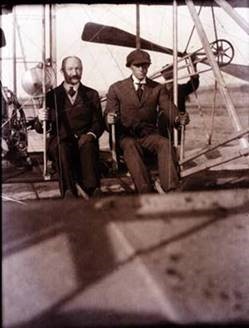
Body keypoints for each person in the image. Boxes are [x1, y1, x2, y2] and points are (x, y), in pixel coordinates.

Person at [104, 49, 189, 194]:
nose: (142, 69)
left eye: (145, 65)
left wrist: (177, 118)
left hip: (149, 136)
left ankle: (172, 189)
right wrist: (109, 119)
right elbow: (108, 115)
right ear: (130, 66)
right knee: (130, 145)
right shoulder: (117, 88)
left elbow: (168, 107)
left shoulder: (157, 88)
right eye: (138, 66)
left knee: (164, 143)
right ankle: (145, 191)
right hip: (126, 137)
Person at [35, 56, 104, 198]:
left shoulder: (91, 94)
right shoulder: (51, 96)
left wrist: (90, 135)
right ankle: (68, 192)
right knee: (62, 148)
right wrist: (40, 120)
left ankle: (94, 189)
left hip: (84, 141)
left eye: (78, 68)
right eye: (70, 69)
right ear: (62, 71)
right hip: (61, 141)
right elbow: (40, 128)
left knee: (89, 145)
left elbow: (98, 123)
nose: (75, 72)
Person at [159, 57, 199, 141]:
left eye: (171, 70)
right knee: (164, 145)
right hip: (163, 123)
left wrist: (193, 66)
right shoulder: (158, 90)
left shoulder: (180, 89)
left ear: (174, 73)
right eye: (165, 71)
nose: (168, 73)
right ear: (162, 74)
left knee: (177, 145)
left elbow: (194, 84)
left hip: (178, 121)